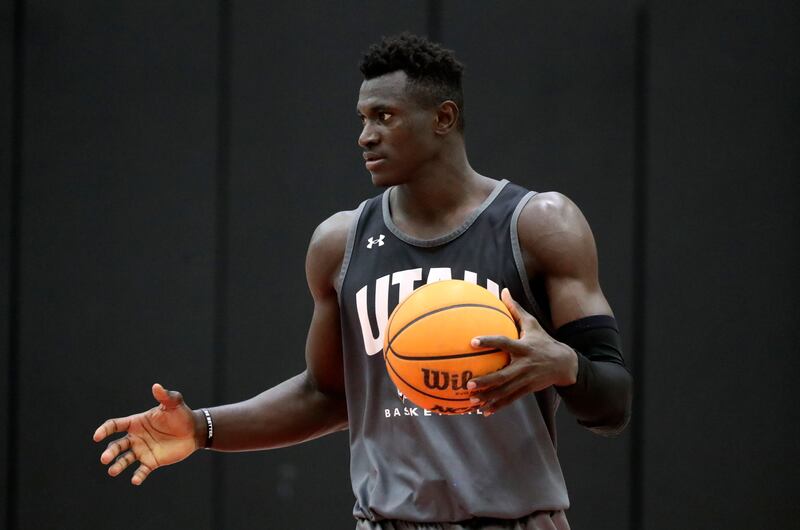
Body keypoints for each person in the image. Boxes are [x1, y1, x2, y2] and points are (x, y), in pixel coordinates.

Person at [93, 33, 632, 530]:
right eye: (362, 118)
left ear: (443, 117)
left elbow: (612, 405)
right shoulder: (339, 242)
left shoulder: (539, 225)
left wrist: (566, 367)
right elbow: (325, 395)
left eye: (385, 116)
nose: (365, 136)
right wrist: (203, 428)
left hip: (517, 520)